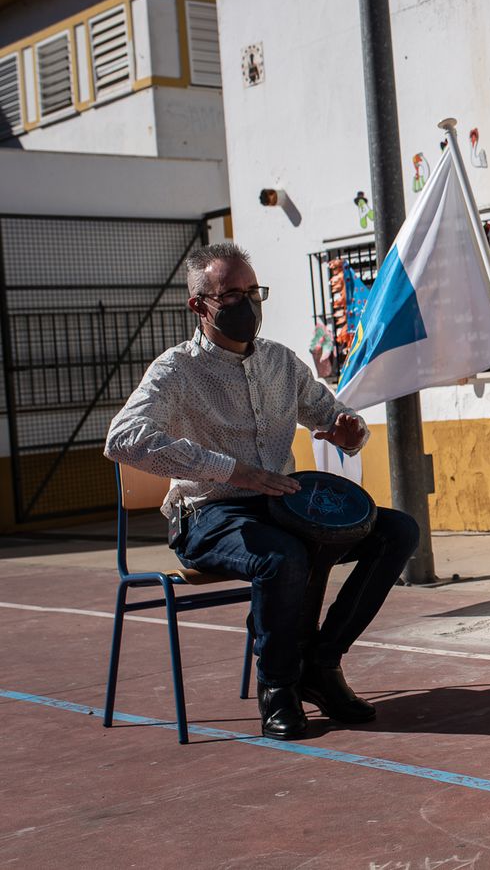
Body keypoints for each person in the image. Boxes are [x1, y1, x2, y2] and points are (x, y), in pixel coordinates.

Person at [105, 242, 419, 740]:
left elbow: (332, 414)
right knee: (284, 556)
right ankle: (278, 688)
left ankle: (320, 663)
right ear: (200, 306)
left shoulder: (281, 362)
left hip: (281, 508)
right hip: (207, 515)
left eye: (253, 292)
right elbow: (124, 439)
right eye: (231, 294)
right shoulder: (176, 370)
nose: (247, 304)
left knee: (397, 531)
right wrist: (231, 471)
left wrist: (349, 430)